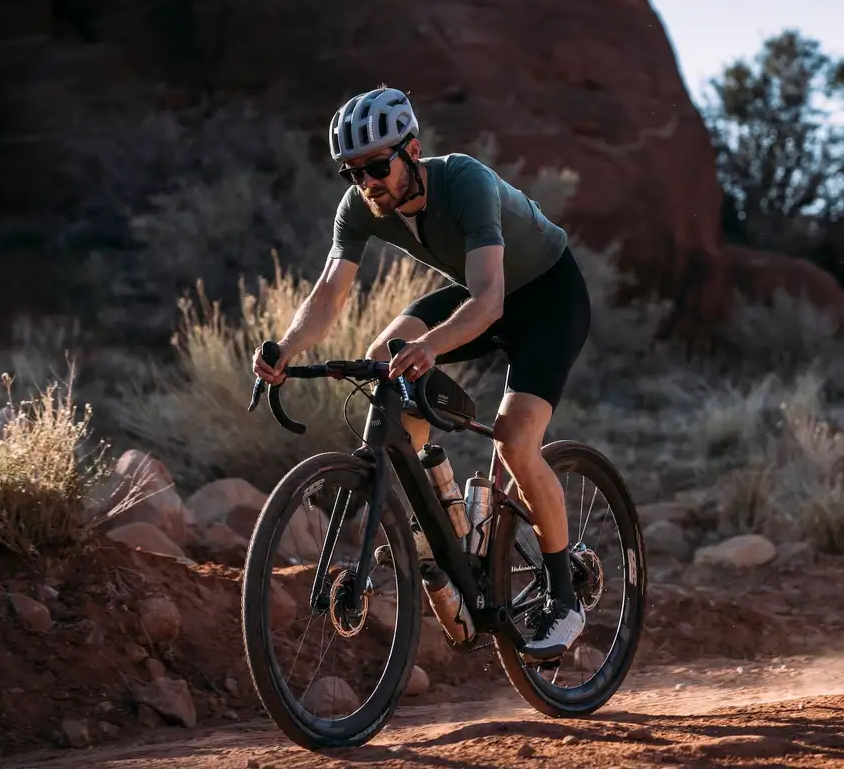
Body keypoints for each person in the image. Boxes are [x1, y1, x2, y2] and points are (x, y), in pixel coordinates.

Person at [251, 85, 591, 660]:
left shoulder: (466, 182)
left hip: (547, 299)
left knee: (515, 443)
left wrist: (431, 346)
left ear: (412, 149)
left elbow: (489, 302)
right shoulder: (361, 206)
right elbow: (331, 296)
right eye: (352, 173)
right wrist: (285, 347)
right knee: (383, 364)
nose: (367, 184)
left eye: (378, 166)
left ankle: (564, 598)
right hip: (479, 292)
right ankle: (439, 531)